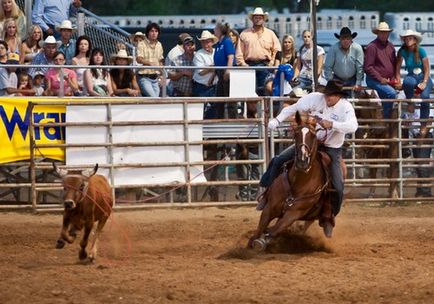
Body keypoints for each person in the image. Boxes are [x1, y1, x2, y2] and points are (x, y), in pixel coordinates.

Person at [258, 80, 358, 236]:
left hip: (332, 148)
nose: (327, 98)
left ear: (338, 96)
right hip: (311, 142)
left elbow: (353, 126)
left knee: (338, 186)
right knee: (279, 160)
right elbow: (293, 108)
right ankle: (267, 194)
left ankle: (329, 216)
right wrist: (277, 120)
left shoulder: (346, 107)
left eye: (331, 95)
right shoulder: (315, 98)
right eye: (327, 94)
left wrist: (332, 125)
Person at [235, 7, 281, 95]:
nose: (258, 19)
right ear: (252, 19)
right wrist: (243, 65)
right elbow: (239, 53)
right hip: (249, 66)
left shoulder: (270, 33)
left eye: (260, 17)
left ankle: (267, 108)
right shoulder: (244, 34)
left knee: (268, 88)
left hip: (265, 65)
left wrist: (272, 63)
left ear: (263, 19)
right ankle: (254, 109)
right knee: (250, 92)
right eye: (256, 17)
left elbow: (277, 50)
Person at [395, 29, 433, 131]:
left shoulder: (421, 50)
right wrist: (398, 79)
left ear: (415, 40)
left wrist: (424, 82)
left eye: (410, 38)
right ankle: (410, 103)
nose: (408, 40)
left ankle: (423, 125)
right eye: (406, 39)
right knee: (407, 82)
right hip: (412, 74)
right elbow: (397, 67)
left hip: (423, 76)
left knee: (425, 97)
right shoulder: (402, 51)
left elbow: (427, 68)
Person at [364, 22, 399, 119]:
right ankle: (386, 118)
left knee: (396, 92)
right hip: (373, 80)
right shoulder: (372, 46)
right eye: (382, 32)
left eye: (386, 32)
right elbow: (368, 67)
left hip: (387, 80)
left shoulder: (391, 46)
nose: (384, 34)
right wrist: (380, 79)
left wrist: (394, 78)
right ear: (378, 33)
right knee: (391, 93)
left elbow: (394, 64)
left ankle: (386, 117)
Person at [323, 27, 364, 91]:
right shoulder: (333, 49)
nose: (345, 41)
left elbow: (360, 67)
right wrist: (331, 81)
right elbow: (327, 67)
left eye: (348, 38)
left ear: (351, 39)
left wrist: (358, 83)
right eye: (343, 38)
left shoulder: (357, 48)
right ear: (339, 39)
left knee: (354, 99)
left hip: (353, 79)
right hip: (337, 79)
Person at [193, 30, 218, 116]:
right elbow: (201, 72)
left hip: (214, 86)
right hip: (201, 86)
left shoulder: (217, 52)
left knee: (215, 108)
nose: (205, 44)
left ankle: (211, 127)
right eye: (203, 42)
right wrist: (213, 67)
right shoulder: (198, 55)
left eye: (207, 42)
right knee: (199, 110)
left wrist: (213, 68)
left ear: (212, 42)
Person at [213, 22, 236, 117]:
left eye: (215, 29)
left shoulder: (227, 41)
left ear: (219, 30)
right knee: (219, 98)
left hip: (226, 72)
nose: (214, 30)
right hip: (219, 72)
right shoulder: (219, 43)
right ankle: (219, 117)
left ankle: (233, 119)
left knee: (229, 98)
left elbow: (231, 56)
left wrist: (228, 70)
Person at [136, 22, 164, 97]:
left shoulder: (159, 44)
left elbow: (160, 61)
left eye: (156, 31)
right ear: (147, 33)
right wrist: (149, 63)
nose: (154, 33)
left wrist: (162, 76)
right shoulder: (141, 44)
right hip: (144, 77)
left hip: (155, 78)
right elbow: (138, 59)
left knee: (155, 100)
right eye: (152, 31)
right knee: (154, 98)